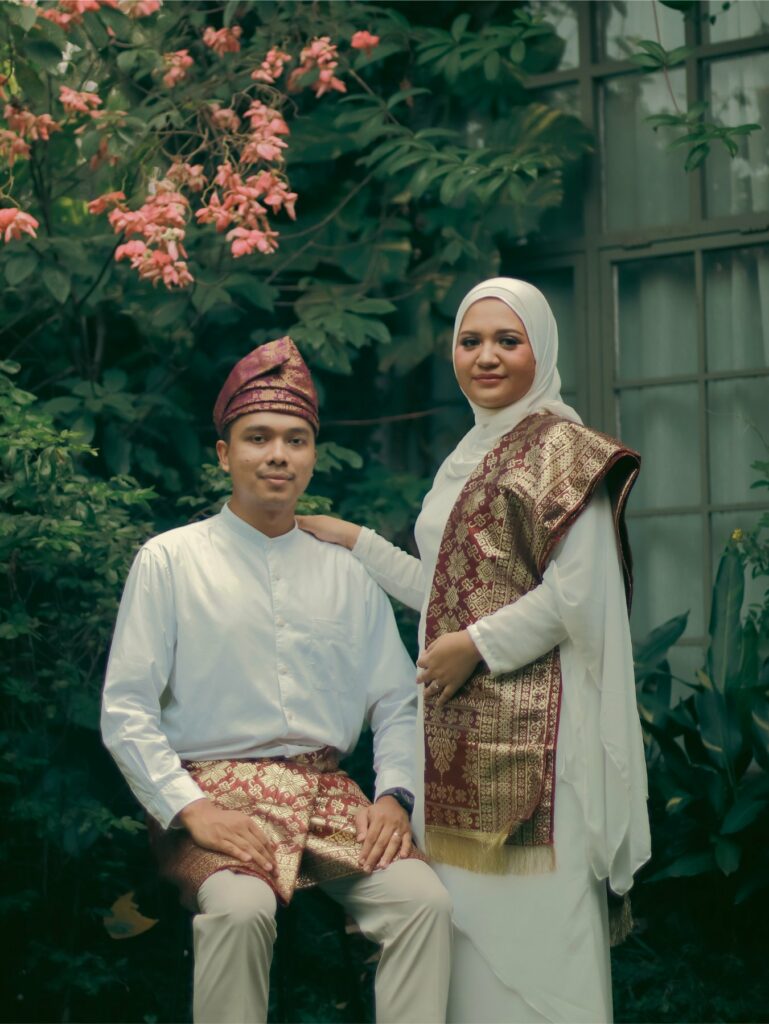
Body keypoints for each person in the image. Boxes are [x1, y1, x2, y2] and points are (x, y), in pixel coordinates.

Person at [298, 279, 651, 1024]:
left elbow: (579, 593)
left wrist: (477, 646)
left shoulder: (565, 451)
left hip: (542, 739)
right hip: (456, 735)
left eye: (507, 341)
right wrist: (357, 541)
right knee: (462, 926)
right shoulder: (467, 454)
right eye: (470, 341)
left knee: (539, 929)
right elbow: (444, 589)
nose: (486, 356)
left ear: (540, 349)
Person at [101, 336, 452, 1024]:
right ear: (223, 453)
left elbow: (395, 701)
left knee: (424, 902)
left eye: (295, 440)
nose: (277, 455)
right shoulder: (169, 560)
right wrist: (190, 809)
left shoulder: (345, 570)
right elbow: (126, 710)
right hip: (212, 795)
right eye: (257, 438)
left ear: (312, 455)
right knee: (241, 908)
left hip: (327, 794)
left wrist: (394, 796)